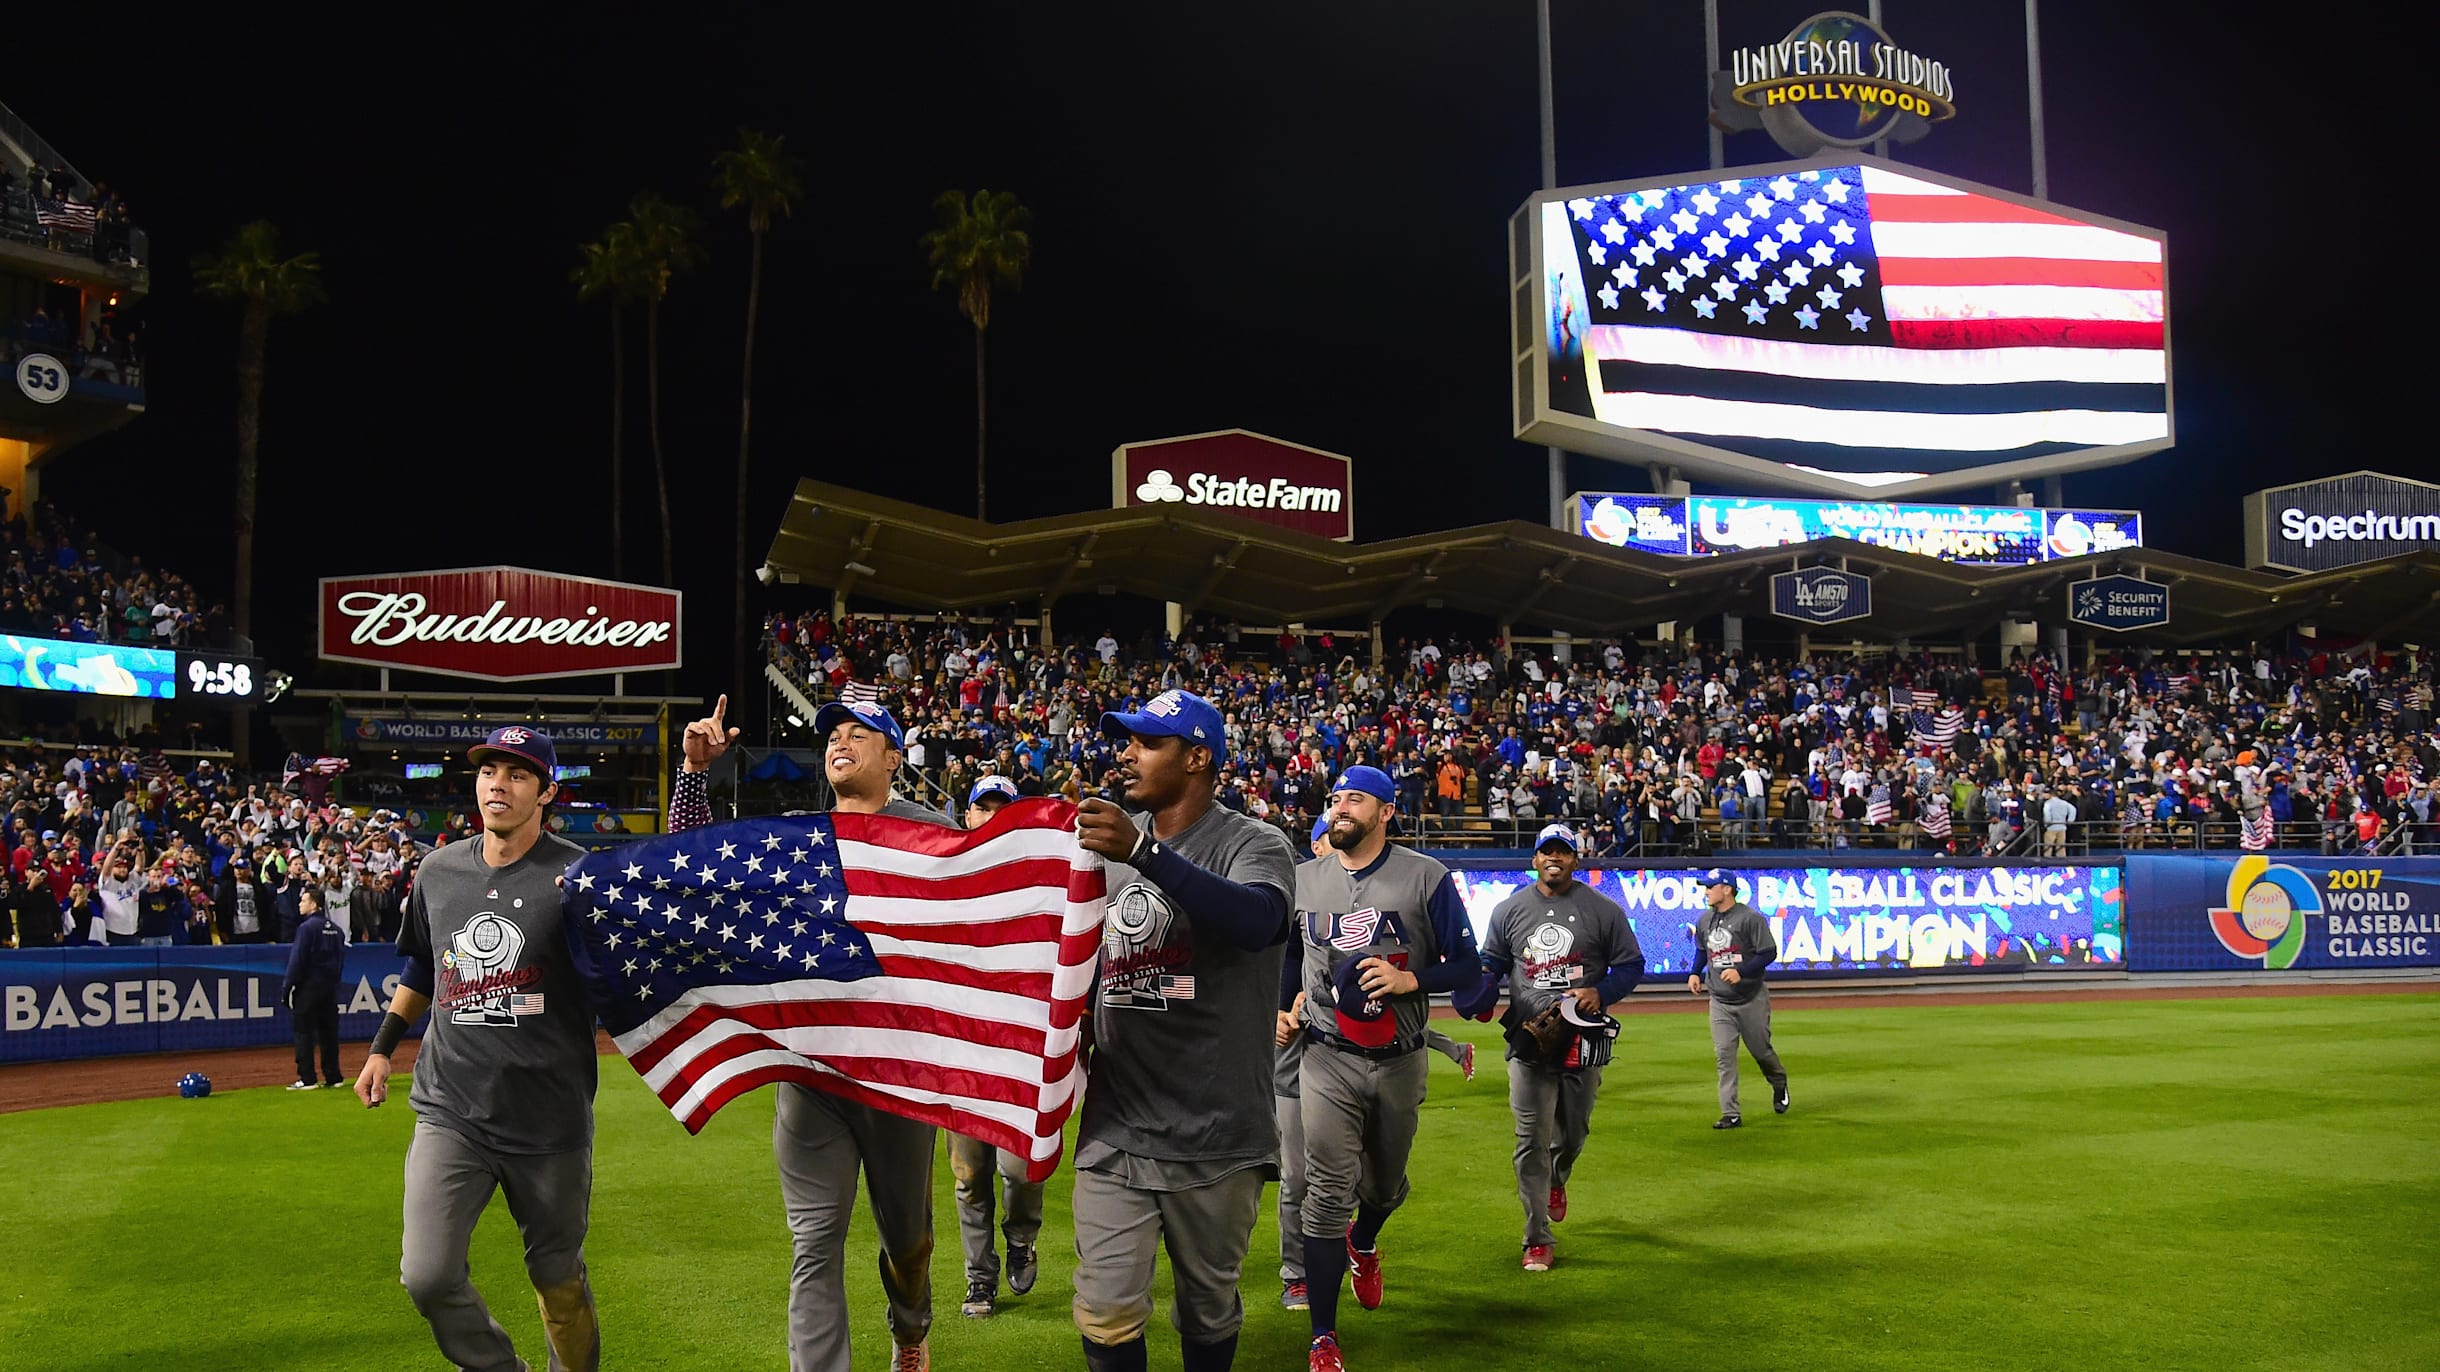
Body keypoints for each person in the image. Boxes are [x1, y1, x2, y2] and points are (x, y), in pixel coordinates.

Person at [671, 694, 954, 1372]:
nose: (840, 742)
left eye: (861, 734)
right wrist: (691, 773)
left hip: (898, 1077)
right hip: (813, 1071)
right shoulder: (794, 838)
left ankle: (910, 1326)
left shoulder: (937, 836)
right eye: (833, 733)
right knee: (814, 1243)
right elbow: (694, 875)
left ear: (894, 757)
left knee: (909, 1243)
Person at [354, 726, 604, 1372]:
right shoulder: (438, 871)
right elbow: (422, 970)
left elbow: (617, 982)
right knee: (427, 1275)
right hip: (452, 1110)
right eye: (490, 770)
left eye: (518, 774)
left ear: (548, 792)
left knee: (559, 1283)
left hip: (548, 1118)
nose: (499, 783)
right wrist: (383, 1048)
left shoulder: (578, 877)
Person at [1070, 688, 1297, 1372]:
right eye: (1127, 740)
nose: (1127, 754)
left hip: (1215, 1129)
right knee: (1105, 1311)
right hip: (1117, 1124)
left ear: (1197, 758)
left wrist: (1147, 853)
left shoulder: (1252, 842)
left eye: (1146, 743)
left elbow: (1260, 922)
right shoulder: (1105, 855)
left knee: (1207, 1309)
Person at [1283, 765, 1481, 1372]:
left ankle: (1364, 1242)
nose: (1341, 806)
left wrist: (1409, 978)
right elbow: (1290, 951)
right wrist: (1283, 1001)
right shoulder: (1302, 879)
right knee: (1323, 1194)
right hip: (1326, 1055)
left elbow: (1469, 970)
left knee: (1386, 1185)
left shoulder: (1427, 877)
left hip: (1399, 1056)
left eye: (1357, 798)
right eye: (1336, 798)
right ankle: (1323, 1335)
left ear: (1387, 811)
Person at [1480, 824, 1643, 1270]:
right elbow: (1491, 963)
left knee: (1572, 1134)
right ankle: (1536, 1236)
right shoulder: (1509, 910)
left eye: (1563, 852)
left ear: (1576, 859)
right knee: (1529, 1139)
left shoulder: (1602, 910)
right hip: (1528, 1040)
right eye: (1546, 851)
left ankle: (1558, 1175)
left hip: (1581, 1037)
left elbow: (1631, 964)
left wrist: (1601, 993)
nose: (1555, 858)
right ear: (1534, 860)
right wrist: (1478, 992)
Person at [950, 774, 1046, 1320]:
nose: (989, 816)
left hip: (1018, 1049)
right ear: (967, 816)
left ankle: (1021, 1236)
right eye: (980, 808)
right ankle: (979, 1280)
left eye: (1000, 808)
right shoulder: (945, 877)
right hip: (963, 1050)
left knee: (1019, 1169)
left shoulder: (1039, 880)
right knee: (968, 1177)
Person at [1688, 869, 1788, 1129]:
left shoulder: (1750, 918)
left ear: (1727, 889)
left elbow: (1768, 953)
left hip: (1751, 997)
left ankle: (1778, 1082)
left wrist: (1741, 971)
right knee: (1724, 1055)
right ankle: (1730, 1113)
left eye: (1711, 886)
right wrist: (1694, 973)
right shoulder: (1704, 919)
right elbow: (1702, 949)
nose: (1706, 891)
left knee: (1761, 1051)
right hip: (1719, 1000)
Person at [282, 887, 347, 1089]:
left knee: (304, 1033)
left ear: (314, 904)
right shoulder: (337, 930)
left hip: (308, 988)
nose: (300, 904)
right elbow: (340, 961)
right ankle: (333, 1076)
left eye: (303, 901)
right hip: (329, 989)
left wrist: (287, 988)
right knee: (329, 1034)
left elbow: (297, 960)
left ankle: (308, 1078)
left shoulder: (306, 928)